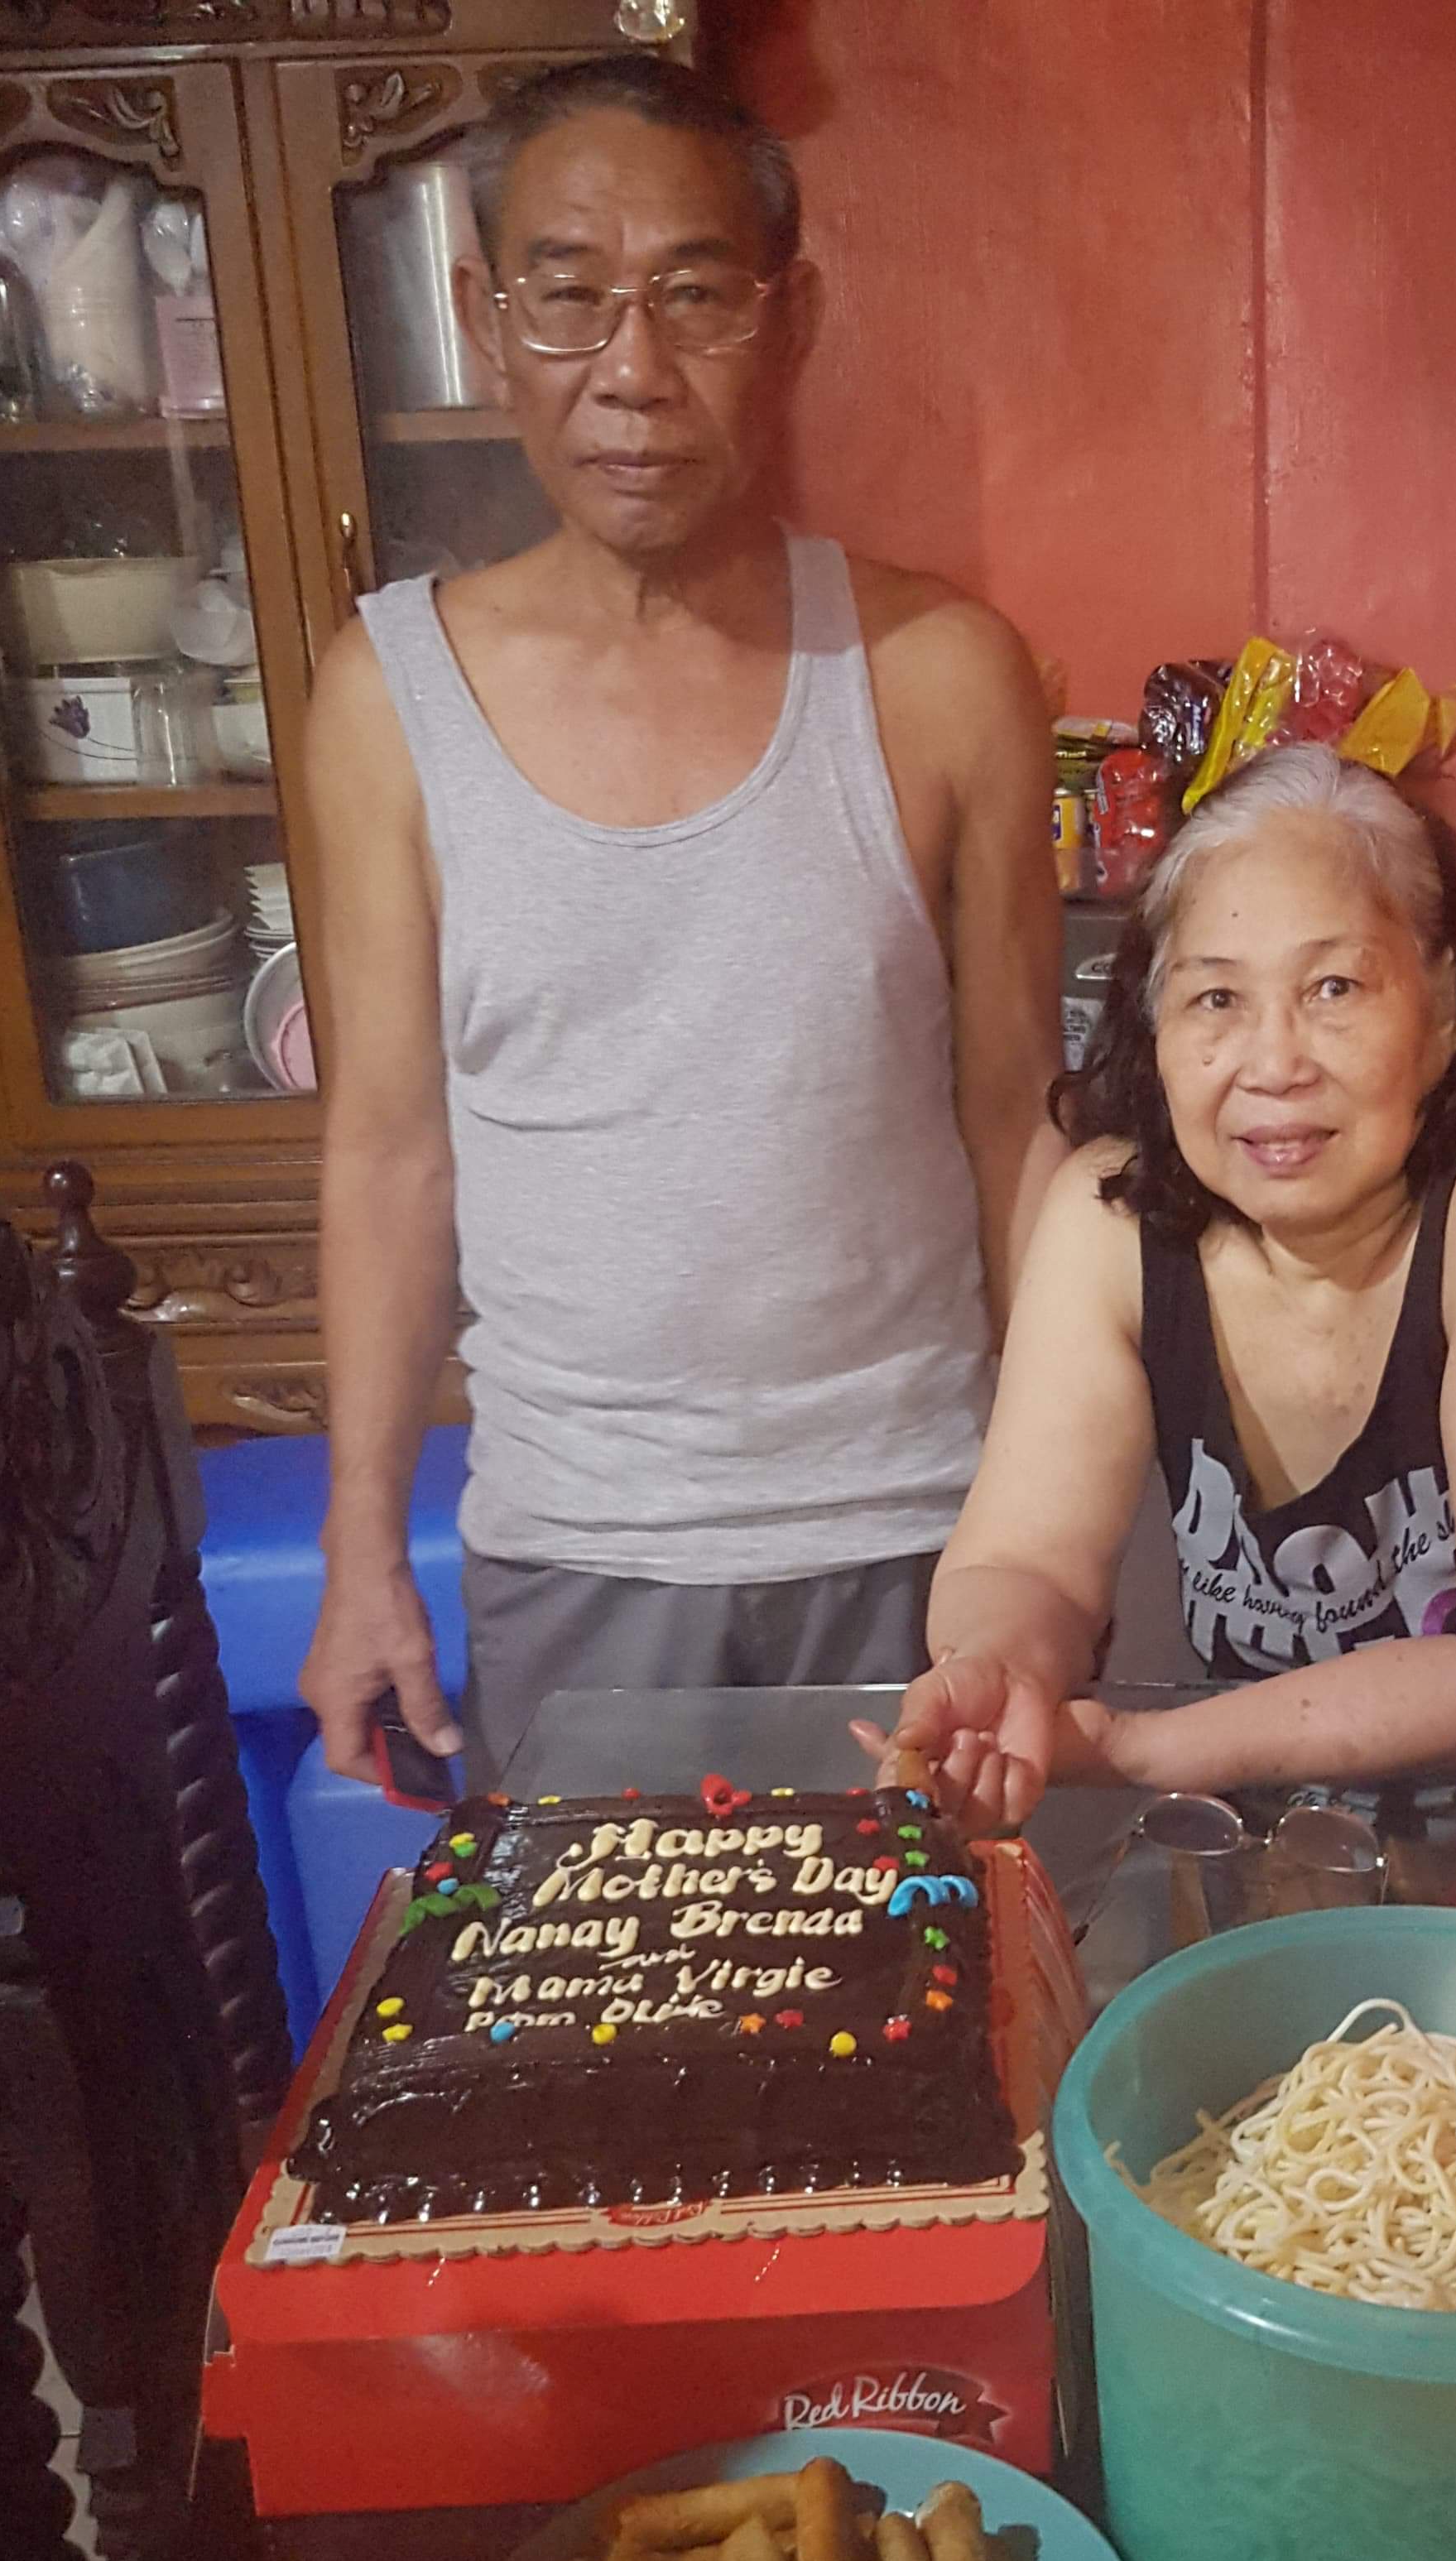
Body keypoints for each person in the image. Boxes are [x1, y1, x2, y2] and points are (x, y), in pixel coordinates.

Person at [297, 54, 1062, 1790]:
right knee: (596, 1971)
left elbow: (1018, 1120)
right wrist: (361, 1553)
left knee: (938, 1964)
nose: (632, 371)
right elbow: (391, 1149)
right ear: (486, 324)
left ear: (789, 325)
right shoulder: (387, 697)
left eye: (696, 296)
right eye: (568, 296)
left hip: (919, 1530)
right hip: (577, 1550)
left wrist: (1047, 1524)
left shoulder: (944, 675)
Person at [870, 743, 1456, 1828]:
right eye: (1216, 998)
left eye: (1334, 988)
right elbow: (1026, 1561)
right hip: (1252, 1852)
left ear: (1443, 1011)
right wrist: (1000, 1667)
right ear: (1156, 1029)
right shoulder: (1109, 1219)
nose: (1274, 1063)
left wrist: (1147, 1748)